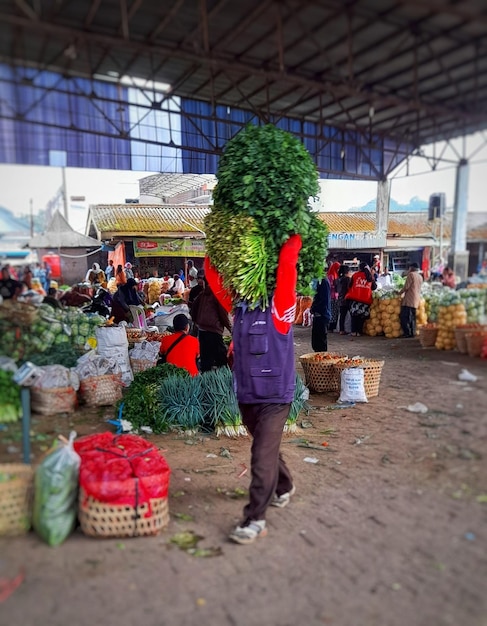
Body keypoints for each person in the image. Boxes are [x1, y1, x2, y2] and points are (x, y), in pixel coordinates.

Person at [205, 234, 301, 545]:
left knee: (260, 455)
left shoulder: (281, 307)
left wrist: (291, 235)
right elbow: (211, 272)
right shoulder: (238, 309)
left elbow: (287, 264)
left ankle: (254, 519)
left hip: (275, 398)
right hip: (247, 396)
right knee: (266, 449)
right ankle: (284, 486)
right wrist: (219, 248)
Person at [190, 274, 232, 372]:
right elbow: (223, 314)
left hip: (202, 330)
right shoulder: (217, 294)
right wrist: (230, 328)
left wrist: (197, 321)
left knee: (205, 357)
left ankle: (206, 378)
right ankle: (223, 378)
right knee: (221, 358)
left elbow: (193, 309)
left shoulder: (202, 294)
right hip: (214, 329)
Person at [345, 261, 375, 336]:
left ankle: (353, 331)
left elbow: (349, 286)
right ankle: (359, 332)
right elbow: (374, 287)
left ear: (359, 268)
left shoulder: (355, 275)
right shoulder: (370, 276)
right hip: (365, 299)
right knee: (362, 316)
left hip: (355, 298)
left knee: (354, 316)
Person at [399, 262, 423, 338]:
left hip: (409, 299)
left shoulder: (411, 275)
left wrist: (399, 292)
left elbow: (406, 287)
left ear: (411, 268)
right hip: (416, 299)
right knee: (412, 317)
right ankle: (412, 332)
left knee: (404, 317)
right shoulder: (420, 276)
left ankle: (407, 333)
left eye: (409, 268)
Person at [310, 275, 331, 351]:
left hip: (322, 315)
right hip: (318, 314)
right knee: (316, 343)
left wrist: (314, 308)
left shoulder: (323, 282)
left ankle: (322, 360)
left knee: (320, 343)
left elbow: (323, 301)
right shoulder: (320, 281)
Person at [336, 264, 352, 334]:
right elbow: (349, 288)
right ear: (347, 272)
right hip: (346, 298)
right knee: (350, 314)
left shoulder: (338, 279)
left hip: (340, 298)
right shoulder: (347, 279)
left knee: (342, 315)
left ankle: (341, 330)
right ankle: (350, 329)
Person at [326, 261, 341, 332]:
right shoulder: (331, 276)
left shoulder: (336, 275)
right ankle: (330, 327)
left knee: (334, 312)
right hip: (332, 296)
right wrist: (334, 286)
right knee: (332, 312)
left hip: (335, 297)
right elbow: (329, 286)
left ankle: (332, 326)